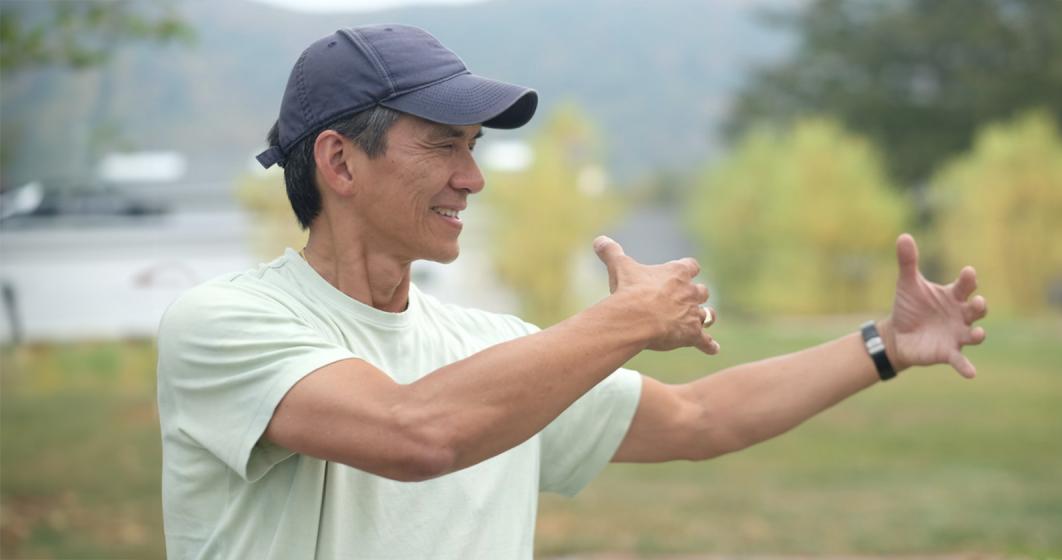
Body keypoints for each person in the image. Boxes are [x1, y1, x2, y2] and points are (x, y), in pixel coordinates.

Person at [156, 24, 988, 560]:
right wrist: (624, 319)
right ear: (338, 162)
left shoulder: (497, 353)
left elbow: (700, 419)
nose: (472, 178)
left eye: (475, 147)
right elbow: (414, 432)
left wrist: (884, 344)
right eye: (445, 146)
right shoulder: (224, 325)